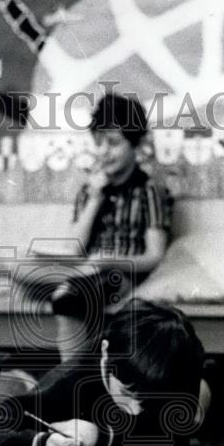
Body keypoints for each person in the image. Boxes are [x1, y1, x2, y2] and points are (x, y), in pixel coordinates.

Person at [0, 299, 205, 446]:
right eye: (127, 393)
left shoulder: (182, 362)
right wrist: (42, 445)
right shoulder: (73, 378)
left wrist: (101, 437)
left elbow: (175, 445)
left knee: (200, 409)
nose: (135, 410)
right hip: (77, 386)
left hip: (201, 382)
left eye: (147, 400)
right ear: (104, 353)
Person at [36, 92, 172, 362]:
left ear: (135, 145)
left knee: (68, 298)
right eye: (98, 143)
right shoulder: (90, 191)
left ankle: (72, 377)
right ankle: (76, 371)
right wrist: (95, 198)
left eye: (113, 143)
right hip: (85, 270)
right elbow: (73, 248)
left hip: (121, 275)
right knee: (22, 270)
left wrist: (110, 261)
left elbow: (155, 256)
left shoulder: (150, 191)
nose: (104, 152)